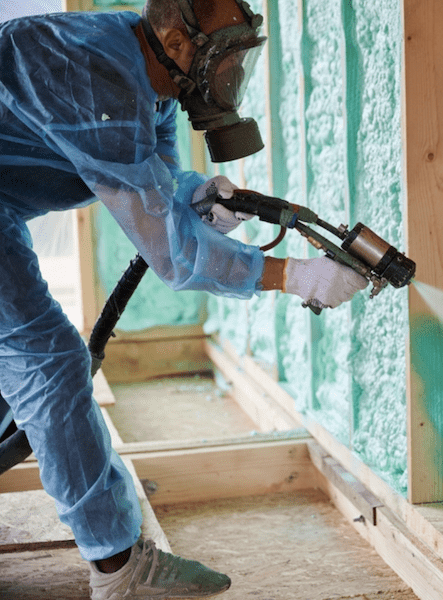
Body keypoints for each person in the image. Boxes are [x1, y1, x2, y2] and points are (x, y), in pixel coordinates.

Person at [0, 0, 367, 597]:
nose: (231, 78)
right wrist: (295, 277)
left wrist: (200, 196)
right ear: (177, 40)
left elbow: (161, 185)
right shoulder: (100, 79)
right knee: (48, 363)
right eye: (225, 60)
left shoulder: (150, 72)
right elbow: (172, 254)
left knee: (26, 367)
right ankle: (120, 573)